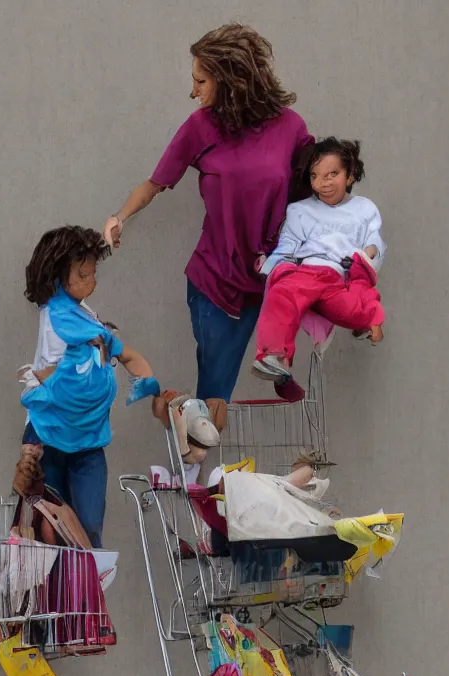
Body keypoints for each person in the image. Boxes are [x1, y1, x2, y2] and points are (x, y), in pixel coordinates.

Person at [102, 24, 314, 402]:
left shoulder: (290, 127)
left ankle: (277, 375)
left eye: (200, 81)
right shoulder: (200, 127)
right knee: (215, 394)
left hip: (273, 276)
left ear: (230, 79)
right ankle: (193, 457)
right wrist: (121, 217)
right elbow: (154, 184)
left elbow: (314, 187)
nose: (193, 91)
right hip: (216, 280)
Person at [17, 226, 160, 548]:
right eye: (82, 274)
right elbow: (53, 378)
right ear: (58, 277)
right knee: (51, 531)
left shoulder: (86, 317)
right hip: (50, 438)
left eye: (93, 274)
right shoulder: (56, 316)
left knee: (90, 526)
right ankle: (62, 594)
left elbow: (118, 354)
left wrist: (149, 386)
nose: (90, 282)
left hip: (88, 441)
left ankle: (87, 587)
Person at [251, 138, 386, 383]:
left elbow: (374, 241)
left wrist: (371, 252)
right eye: (315, 176)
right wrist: (271, 267)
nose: (323, 184)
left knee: (356, 306)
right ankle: (273, 355)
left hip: (342, 276)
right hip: (309, 272)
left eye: (332, 174)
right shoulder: (300, 210)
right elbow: (288, 244)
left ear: (350, 174)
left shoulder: (364, 209)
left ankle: (369, 321)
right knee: (283, 294)